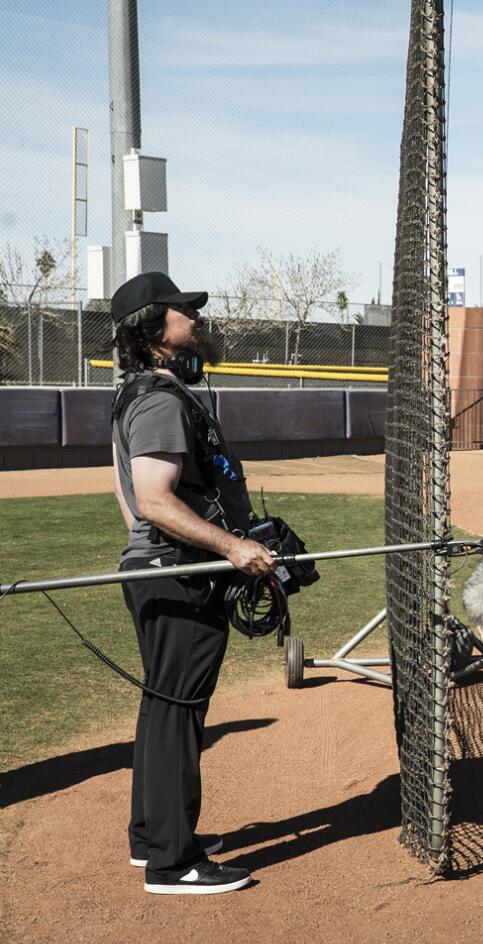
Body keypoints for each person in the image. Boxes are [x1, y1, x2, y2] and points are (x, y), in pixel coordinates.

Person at [109, 271, 276, 894]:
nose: (196, 322)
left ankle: (155, 836)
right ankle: (173, 863)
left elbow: (129, 501)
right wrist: (232, 546)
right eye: (185, 314)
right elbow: (152, 500)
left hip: (162, 567)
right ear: (156, 333)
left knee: (165, 704)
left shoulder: (139, 393)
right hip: (179, 575)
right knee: (178, 709)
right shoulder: (158, 398)